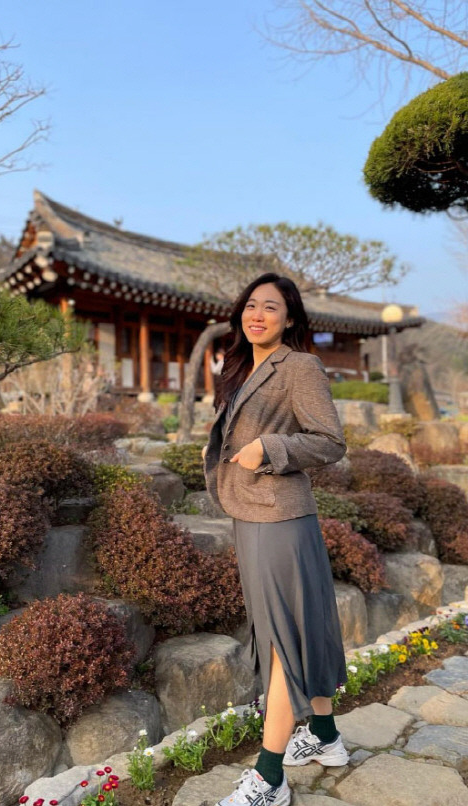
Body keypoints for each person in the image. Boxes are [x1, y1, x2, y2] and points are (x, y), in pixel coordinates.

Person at [202, 272, 349, 806]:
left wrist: (269, 447)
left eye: (271, 306)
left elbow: (331, 442)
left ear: (290, 318)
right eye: (250, 305)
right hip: (250, 512)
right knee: (295, 627)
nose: (257, 314)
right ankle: (326, 739)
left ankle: (269, 777)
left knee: (281, 637)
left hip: (279, 517)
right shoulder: (240, 365)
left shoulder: (300, 366)